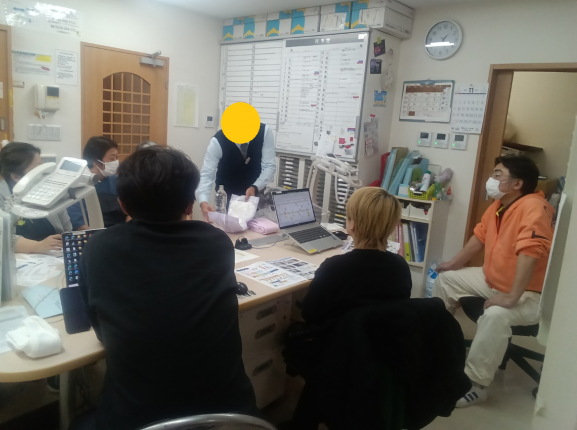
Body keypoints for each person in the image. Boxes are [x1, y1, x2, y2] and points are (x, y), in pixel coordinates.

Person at [78, 146, 257, 429]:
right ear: (189, 205)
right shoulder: (216, 242)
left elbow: (101, 331)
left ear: (123, 205)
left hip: (139, 419)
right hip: (230, 415)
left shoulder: (99, 248)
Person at [434, 155, 554, 408]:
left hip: (529, 293)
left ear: (517, 184)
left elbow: (530, 251)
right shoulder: (499, 205)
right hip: (492, 279)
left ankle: (476, 385)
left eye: (498, 175)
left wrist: (511, 297)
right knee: (446, 280)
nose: (491, 179)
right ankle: (439, 348)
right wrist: (454, 263)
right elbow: (480, 236)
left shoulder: (534, 208)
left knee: (495, 315)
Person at [302, 187, 412, 331]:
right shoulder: (400, 266)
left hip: (340, 341)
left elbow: (310, 313)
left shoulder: (335, 267)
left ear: (352, 223)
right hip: (385, 341)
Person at [0, 142, 71, 253]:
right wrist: (37, 246)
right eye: (37, 169)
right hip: (19, 260)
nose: (44, 173)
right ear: (16, 176)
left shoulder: (47, 191)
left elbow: (67, 230)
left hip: (55, 256)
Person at [196, 123, 276, 222]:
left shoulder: (264, 132)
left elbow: (269, 166)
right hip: (226, 200)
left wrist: (255, 186)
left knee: (257, 228)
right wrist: (203, 202)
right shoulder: (218, 140)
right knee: (228, 228)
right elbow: (207, 175)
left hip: (255, 199)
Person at [67, 136, 126, 230]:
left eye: (117, 157)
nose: (116, 162)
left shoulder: (117, 181)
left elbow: (131, 210)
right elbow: (77, 222)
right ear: (96, 162)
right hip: (92, 234)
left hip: (120, 232)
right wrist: (98, 236)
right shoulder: (77, 185)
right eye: (112, 158)